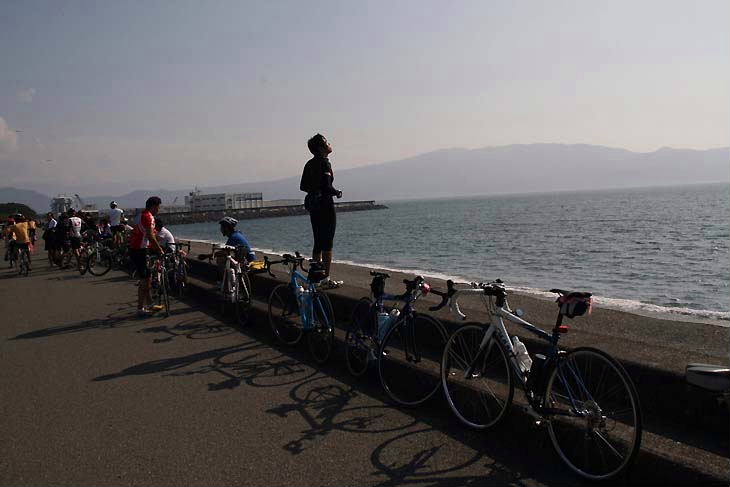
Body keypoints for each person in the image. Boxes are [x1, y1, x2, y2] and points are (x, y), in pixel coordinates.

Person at [300, 133, 343, 287]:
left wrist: (314, 189)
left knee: (318, 241)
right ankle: (325, 277)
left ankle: (315, 276)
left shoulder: (309, 164)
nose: (329, 144)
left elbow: (303, 186)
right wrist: (337, 192)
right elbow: (327, 186)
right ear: (320, 148)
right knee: (328, 243)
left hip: (314, 206)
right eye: (326, 142)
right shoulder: (325, 163)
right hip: (325, 205)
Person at [129, 196, 164, 317]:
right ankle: (140, 308)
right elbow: (149, 235)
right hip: (138, 250)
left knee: (147, 279)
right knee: (145, 280)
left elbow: (149, 233)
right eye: (158, 207)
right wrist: (159, 249)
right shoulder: (148, 216)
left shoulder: (145, 215)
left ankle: (149, 304)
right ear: (154, 206)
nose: (159, 209)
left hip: (140, 249)